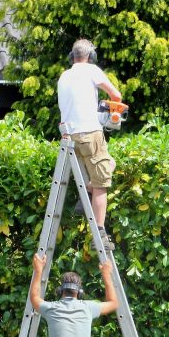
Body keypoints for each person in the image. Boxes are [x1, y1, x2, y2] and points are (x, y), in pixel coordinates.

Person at [57, 38, 122, 250]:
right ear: (90, 56)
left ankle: (84, 198)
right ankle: (99, 234)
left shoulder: (64, 76)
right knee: (103, 182)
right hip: (90, 132)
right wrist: (109, 109)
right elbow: (116, 95)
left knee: (105, 166)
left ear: (72, 56)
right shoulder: (92, 70)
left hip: (69, 137)